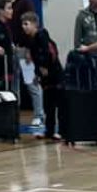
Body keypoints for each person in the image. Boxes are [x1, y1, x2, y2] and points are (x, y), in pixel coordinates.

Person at [15, 11, 65, 142]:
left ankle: (63, 131)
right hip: (45, 78)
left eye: (26, 24)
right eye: (22, 24)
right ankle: (49, 131)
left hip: (55, 75)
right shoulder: (32, 42)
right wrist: (37, 73)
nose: (24, 27)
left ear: (34, 24)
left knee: (59, 104)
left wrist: (45, 66)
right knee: (48, 105)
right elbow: (36, 59)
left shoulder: (42, 36)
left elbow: (51, 53)